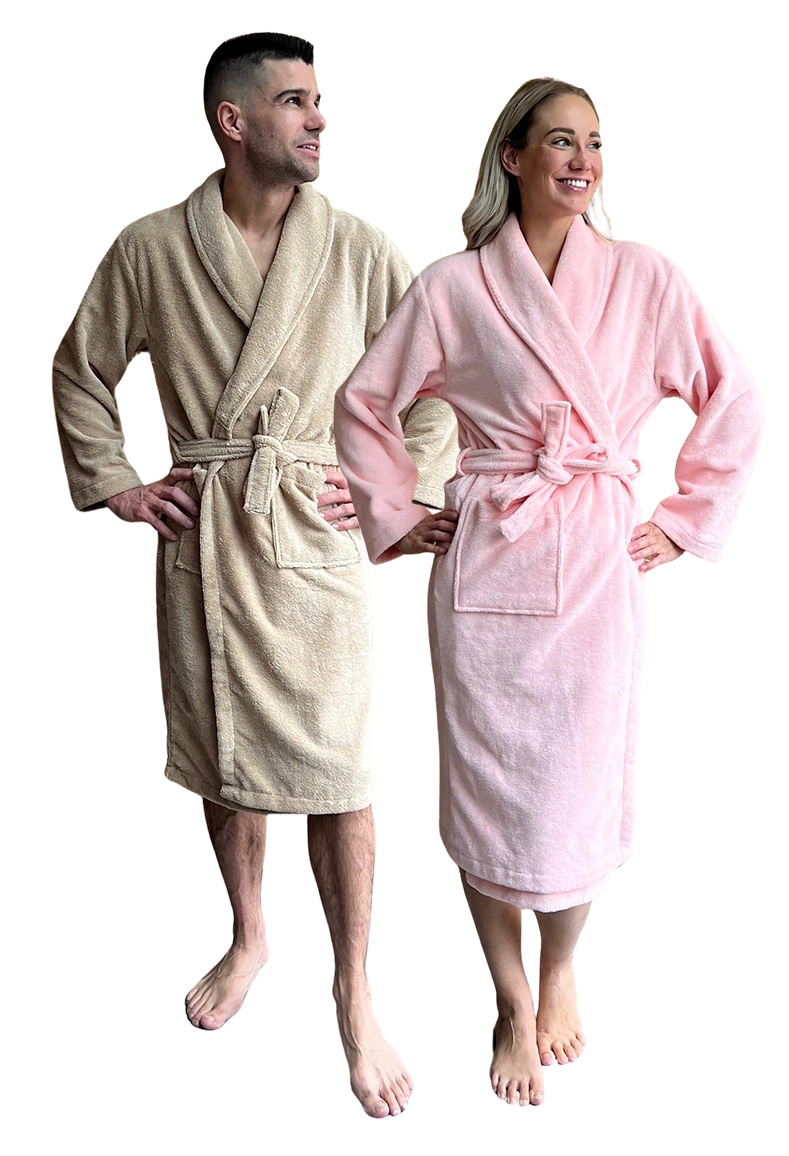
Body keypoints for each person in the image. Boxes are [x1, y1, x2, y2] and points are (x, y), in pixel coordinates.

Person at [334, 78, 764, 1108]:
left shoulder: (644, 278)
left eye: (595, 143)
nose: (582, 160)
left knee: (575, 788)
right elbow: (363, 401)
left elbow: (734, 394)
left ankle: (562, 964)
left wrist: (683, 518)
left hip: (596, 571)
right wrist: (396, 514)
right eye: (561, 141)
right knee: (489, 791)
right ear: (513, 157)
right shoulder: (454, 287)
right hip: (488, 561)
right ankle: (510, 995)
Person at [52, 32, 456, 1119]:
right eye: (293, 101)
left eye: (320, 100)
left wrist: (391, 491)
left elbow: (439, 385)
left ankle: (354, 989)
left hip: (312, 540)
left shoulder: (358, 250)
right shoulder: (151, 249)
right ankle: (249, 933)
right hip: (208, 542)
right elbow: (81, 368)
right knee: (225, 757)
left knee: (339, 773)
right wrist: (120, 483)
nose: (318, 118)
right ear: (232, 122)